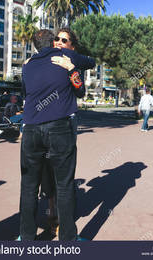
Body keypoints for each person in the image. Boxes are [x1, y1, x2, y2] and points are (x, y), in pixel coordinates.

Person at [19, 29, 95, 241]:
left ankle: (26, 237)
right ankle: (68, 239)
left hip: (31, 129)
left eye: (65, 40)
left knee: (28, 186)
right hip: (59, 128)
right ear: (53, 42)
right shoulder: (65, 56)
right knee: (64, 184)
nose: (61, 43)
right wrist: (71, 66)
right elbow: (91, 62)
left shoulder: (27, 65)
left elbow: (26, 92)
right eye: (58, 40)